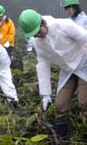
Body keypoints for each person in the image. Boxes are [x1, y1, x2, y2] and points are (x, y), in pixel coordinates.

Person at [19, 9, 87, 138]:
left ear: (43, 22)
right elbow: (43, 65)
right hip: (68, 70)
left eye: (39, 31)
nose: (39, 35)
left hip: (84, 63)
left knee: (84, 103)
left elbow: (85, 38)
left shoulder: (63, 25)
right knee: (60, 106)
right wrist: (45, 94)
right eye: (35, 35)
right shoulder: (38, 43)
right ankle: (62, 137)